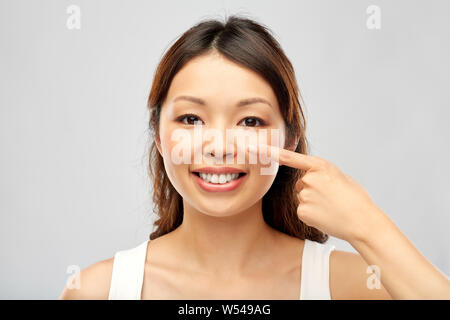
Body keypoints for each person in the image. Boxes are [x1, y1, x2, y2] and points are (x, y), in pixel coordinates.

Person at [60, 15, 450, 300]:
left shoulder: (352, 285)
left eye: (250, 120)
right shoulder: (96, 290)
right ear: (159, 136)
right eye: (191, 118)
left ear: (290, 139)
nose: (219, 145)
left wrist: (367, 224)